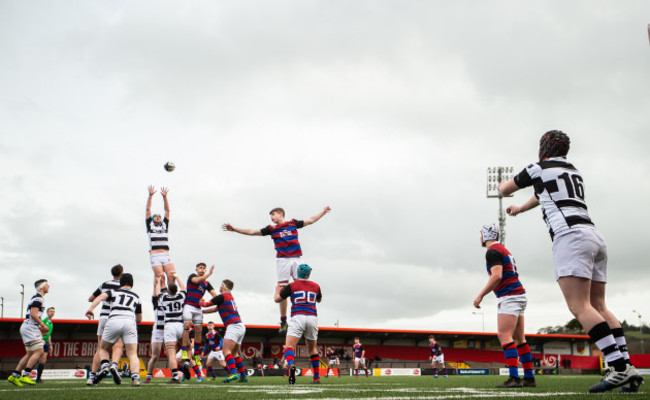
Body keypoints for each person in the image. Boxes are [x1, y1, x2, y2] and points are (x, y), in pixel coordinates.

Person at [499, 130, 643, 393]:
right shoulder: (573, 170)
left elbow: (507, 188)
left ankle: (618, 367)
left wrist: (503, 191)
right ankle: (627, 366)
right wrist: (521, 208)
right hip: (594, 235)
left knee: (580, 306)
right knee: (599, 304)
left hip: (570, 236)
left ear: (542, 147)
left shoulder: (537, 167)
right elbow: (544, 193)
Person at [223, 206, 331, 332]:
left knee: (301, 286)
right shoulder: (272, 229)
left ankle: (301, 314)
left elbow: (311, 220)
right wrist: (235, 229)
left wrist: (323, 212)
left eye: (273, 215)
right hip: (282, 261)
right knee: (282, 290)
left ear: (280, 214)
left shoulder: (293, 223)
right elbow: (252, 232)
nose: (271, 218)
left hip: (296, 258)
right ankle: (284, 321)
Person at [473, 224, 534, 388]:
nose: (479, 237)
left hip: (509, 296)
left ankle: (514, 378)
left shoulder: (492, 251)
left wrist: (480, 295)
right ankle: (529, 378)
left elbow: (497, 275)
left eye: (481, 234)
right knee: (520, 339)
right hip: (519, 294)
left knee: (504, 336)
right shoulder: (503, 249)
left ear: (486, 235)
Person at [86, 273, 143, 387]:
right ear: (132, 283)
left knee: (103, 348)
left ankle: (105, 366)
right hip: (130, 322)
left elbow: (100, 297)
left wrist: (91, 308)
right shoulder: (137, 296)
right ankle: (135, 378)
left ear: (121, 282)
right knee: (132, 353)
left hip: (114, 320)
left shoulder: (114, 291)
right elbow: (139, 318)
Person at [275, 264, 323, 385]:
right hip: (312, 317)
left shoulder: (292, 286)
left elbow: (278, 299)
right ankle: (316, 377)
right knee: (312, 349)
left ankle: (291, 365)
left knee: (289, 347)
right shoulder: (316, 286)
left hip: (298, 317)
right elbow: (319, 299)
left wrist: (277, 290)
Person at [201, 279, 247, 383]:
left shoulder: (222, 296)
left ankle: (233, 373)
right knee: (235, 353)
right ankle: (243, 376)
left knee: (226, 351)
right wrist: (202, 312)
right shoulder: (230, 297)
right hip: (240, 326)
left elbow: (206, 304)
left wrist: (200, 302)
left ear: (223, 286)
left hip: (233, 326)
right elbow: (215, 309)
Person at [7, 279, 51, 387]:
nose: (49, 286)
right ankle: (26, 375)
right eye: (47, 284)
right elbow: (33, 314)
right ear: (42, 287)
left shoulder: (37, 297)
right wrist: (43, 325)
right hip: (30, 327)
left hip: (28, 326)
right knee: (40, 350)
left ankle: (14, 375)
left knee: (30, 354)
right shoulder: (38, 298)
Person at [87, 264, 125, 386]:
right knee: (118, 345)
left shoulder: (104, 284)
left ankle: (92, 376)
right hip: (115, 316)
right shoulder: (123, 286)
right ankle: (113, 366)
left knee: (100, 348)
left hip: (103, 316)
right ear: (122, 273)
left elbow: (91, 298)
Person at [154, 274, 190, 384]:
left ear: (168, 291)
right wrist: (177, 277)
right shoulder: (181, 296)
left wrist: (158, 282)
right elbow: (183, 288)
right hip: (180, 325)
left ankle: (175, 376)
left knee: (171, 353)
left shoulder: (164, 298)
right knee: (188, 346)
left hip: (169, 326)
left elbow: (157, 293)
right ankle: (187, 363)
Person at [182, 263, 217, 367]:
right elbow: (197, 281)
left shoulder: (207, 284)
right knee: (187, 325)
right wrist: (210, 273)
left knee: (199, 330)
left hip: (198, 308)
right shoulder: (192, 276)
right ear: (196, 269)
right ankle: (184, 350)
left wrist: (206, 303)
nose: (202, 270)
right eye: (200, 268)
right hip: (188, 306)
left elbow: (215, 296)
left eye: (204, 268)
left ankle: (196, 354)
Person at [146, 185, 176, 288]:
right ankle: (162, 296)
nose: (158, 217)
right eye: (156, 216)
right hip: (155, 255)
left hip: (166, 255)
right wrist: (150, 196)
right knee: (161, 277)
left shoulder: (164, 225)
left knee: (172, 276)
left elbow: (167, 211)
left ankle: (172, 295)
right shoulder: (150, 226)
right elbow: (148, 210)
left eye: (159, 216)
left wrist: (165, 197)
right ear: (153, 219)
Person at [144, 281, 167, 383]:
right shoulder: (156, 303)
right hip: (158, 330)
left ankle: (175, 374)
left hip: (168, 330)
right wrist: (157, 283)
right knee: (155, 356)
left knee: (170, 354)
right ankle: (148, 376)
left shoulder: (170, 302)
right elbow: (155, 293)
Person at [35, 307, 55, 383]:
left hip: (46, 343)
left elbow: (49, 335)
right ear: (47, 312)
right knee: (35, 358)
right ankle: (26, 374)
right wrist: (41, 339)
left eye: (53, 312)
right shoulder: (43, 321)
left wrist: (50, 345)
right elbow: (38, 330)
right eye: (51, 311)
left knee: (43, 360)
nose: (52, 313)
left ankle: (38, 378)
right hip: (41, 342)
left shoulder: (51, 323)